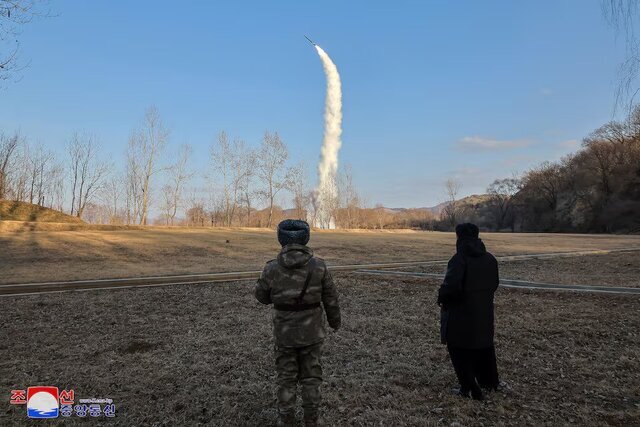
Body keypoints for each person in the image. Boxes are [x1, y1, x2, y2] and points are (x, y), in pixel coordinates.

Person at [255, 219, 341, 426]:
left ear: (280, 239)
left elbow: (261, 297)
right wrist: (334, 322)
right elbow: (331, 298)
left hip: (284, 334)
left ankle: (287, 421)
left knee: (286, 379)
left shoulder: (271, 268)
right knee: (311, 378)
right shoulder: (319, 266)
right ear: (306, 237)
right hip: (312, 333)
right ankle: (312, 420)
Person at [437, 223, 500, 401]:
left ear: (459, 237)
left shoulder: (459, 259)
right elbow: (494, 284)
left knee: (459, 349)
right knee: (484, 347)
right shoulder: (490, 259)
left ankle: (469, 387)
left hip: (460, 315)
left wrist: (442, 297)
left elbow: (451, 288)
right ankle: (490, 381)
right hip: (484, 313)